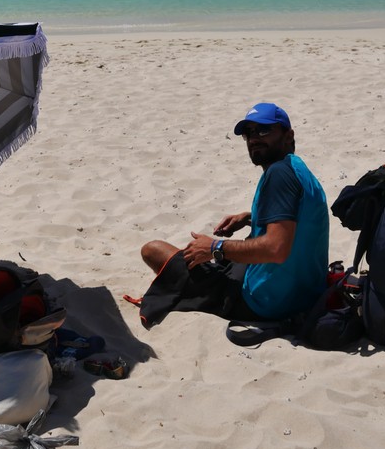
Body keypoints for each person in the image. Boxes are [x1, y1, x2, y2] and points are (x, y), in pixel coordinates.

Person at [139, 102, 329, 324]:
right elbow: (299, 219)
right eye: (249, 133)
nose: (254, 138)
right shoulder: (297, 168)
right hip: (306, 294)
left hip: (267, 303)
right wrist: (250, 218)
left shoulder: (278, 175)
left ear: (289, 136)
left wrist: (215, 248)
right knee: (216, 262)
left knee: (153, 250)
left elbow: (276, 249)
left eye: (264, 130)